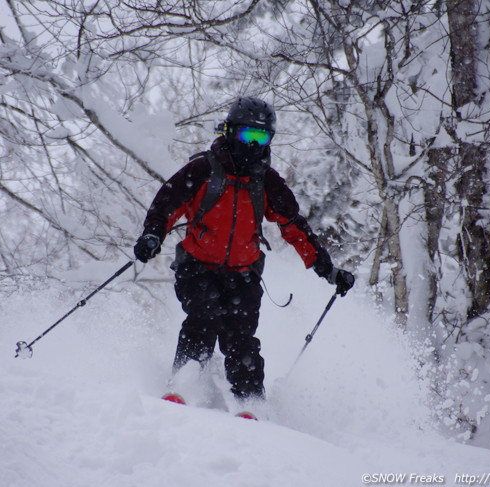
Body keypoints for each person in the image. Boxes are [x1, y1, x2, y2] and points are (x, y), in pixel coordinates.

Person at [134, 96, 354, 401]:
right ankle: (184, 384)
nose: (252, 144)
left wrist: (328, 270)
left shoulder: (267, 182)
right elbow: (166, 204)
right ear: (229, 131)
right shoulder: (202, 170)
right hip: (197, 267)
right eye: (245, 135)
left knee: (241, 338)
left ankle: (249, 399)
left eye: (260, 137)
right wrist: (152, 236)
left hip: (243, 274)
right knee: (203, 316)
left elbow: (295, 227)